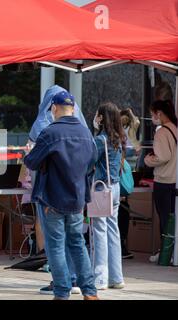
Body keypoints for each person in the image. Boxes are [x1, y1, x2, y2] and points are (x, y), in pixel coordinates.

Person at [24, 91, 99, 300]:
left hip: (52, 198)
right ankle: (90, 292)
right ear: (73, 109)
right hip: (77, 198)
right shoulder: (86, 133)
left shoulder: (49, 133)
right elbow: (92, 162)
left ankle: (62, 292)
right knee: (77, 244)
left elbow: (32, 162)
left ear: (53, 108)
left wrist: (28, 153)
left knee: (55, 245)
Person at [91, 102, 126, 290]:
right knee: (113, 231)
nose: (95, 118)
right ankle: (116, 277)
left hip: (101, 188)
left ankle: (100, 279)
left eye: (97, 115)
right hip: (115, 188)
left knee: (99, 232)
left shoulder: (100, 140)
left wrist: (93, 130)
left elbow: (89, 161)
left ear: (102, 118)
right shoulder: (119, 139)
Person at [144, 100, 177, 262]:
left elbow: (163, 157)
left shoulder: (162, 132)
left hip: (163, 180)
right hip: (175, 180)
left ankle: (166, 253)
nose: (152, 117)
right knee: (172, 217)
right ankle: (172, 253)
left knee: (164, 218)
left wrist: (148, 160)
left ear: (160, 113)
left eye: (152, 114)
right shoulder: (175, 129)